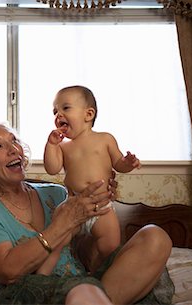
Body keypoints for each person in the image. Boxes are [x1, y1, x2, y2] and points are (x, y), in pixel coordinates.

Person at [0, 117, 174, 305]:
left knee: (155, 237)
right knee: (83, 290)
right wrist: (61, 224)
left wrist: (99, 207)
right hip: (25, 292)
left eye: (14, 141)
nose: (13, 149)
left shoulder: (56, 193)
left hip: (81, 283)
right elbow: (8, 270)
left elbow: (88, 255)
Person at [44, 85, 141, 273]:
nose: (58, 115)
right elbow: (52, 168)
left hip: (101, 207)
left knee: (109, 245)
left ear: (88, 114)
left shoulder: (105, 139)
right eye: (55, 111)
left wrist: (129, 163)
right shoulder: (63, 146)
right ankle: (41, 277)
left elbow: (118, 164)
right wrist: (51, 145)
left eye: (65, 108)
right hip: (73, 205)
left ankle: (98, 274)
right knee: (56, 243)